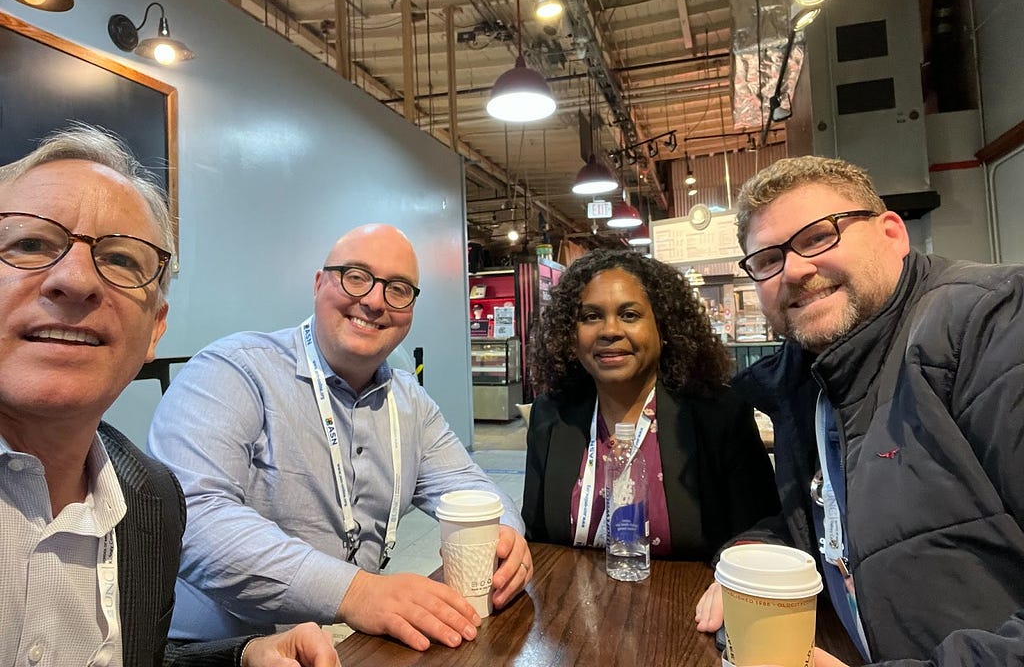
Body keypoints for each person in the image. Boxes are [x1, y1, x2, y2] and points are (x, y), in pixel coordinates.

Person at [0, 126, 338, 666]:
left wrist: (241, 657)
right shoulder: (237, 369)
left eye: (120, 260)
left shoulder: (151, 498)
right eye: (31, 244)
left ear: (156, 327)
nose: (76, 279)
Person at [693, 156, 1024, 666]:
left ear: (891, 232)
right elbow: (839, 520)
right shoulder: (812, 377)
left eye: (818, 237)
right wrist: (756, 548)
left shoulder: (990, 325)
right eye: (766, 260)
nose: (796, 270)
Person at [148, 223, 532, 652]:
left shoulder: (410, 402)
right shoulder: (233, 372)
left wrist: (505, 539)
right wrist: (358, 592)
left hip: (349, 645)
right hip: (219, 652)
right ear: (319, 283)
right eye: (355, 276)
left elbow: (469, 487)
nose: (372, 301)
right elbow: (192, 518)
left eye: (399, 289)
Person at [522, 248, 779, 559]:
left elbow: (762, 530)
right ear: (570, 334)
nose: (610, 331)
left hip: (689, 603)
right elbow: (536, 537)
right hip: (577, 602)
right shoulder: (551, 415)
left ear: (663, 327)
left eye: (629, 315)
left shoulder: (718, 415)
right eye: (591, 316)